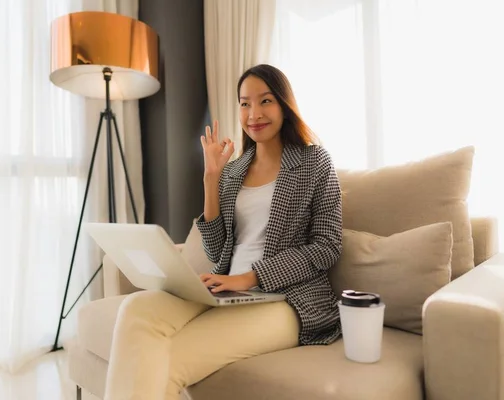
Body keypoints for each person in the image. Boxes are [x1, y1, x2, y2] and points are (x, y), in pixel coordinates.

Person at [103, 64, 343, 400]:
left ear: (285, 105)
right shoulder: (234, 170)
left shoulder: (314, 162)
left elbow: (327, 245)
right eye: (244, 103)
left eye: (265, 101)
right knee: (136, 309)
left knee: (168, 359)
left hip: (288, 300)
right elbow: (217, 251)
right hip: (227, 290)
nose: (253, 113)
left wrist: (249, 278)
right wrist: (211, 178)